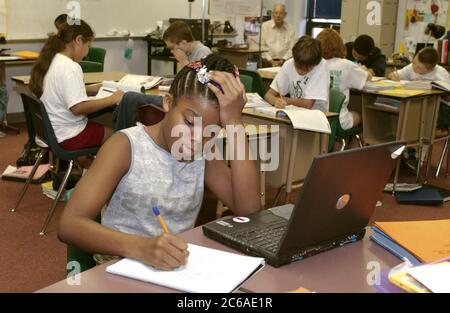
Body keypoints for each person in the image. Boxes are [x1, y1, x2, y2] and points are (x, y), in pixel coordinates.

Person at [57, 54, 261, 270]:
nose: (196, 139)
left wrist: (235, 124)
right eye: (190, 122)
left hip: (174, 269)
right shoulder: (126, 147)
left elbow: (249, 211)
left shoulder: (205, 153)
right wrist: (142, 248)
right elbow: (70, 225)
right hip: (120, 269)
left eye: (212, 131)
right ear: (168, 102)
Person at [29, 20, 124, 152]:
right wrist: (112, 99)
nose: (87, 53)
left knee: (97, 125)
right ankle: (99, 170)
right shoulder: (71, 67)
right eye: (88, 45)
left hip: (49, 132)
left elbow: (58, 91)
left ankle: (85, 166)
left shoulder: (52, 60)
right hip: (67, 135)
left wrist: (90, 88)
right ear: (78, 40)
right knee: (120, 137)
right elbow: (78, 108)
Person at [317, 29, 371, 130]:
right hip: (339, 119)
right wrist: (365, 71)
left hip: (317, 117)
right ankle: (355, 145)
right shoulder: (346, 65)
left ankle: (339, 143)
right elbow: (366, 78)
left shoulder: (314, 63)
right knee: (361, 115)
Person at [388, 47, 450, 129]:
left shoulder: (441, 74)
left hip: (437, 107)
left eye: (419, 68)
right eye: (414, 63)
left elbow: (448, 97)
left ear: (430, 69)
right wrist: (393, 76)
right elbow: (392, 74)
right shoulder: (411, 67)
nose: (414, 67)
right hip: (415, 103)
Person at [264, 36, 329, 112]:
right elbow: (268, 95)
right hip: (294, 115)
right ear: (294, 58)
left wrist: (283, 99)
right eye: (298, 66)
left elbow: (307, 104)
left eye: (306, 69)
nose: (300, 71)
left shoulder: (321, 65)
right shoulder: (289, 64)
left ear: (315, 64)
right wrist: (275, 100)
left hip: (316, 117)